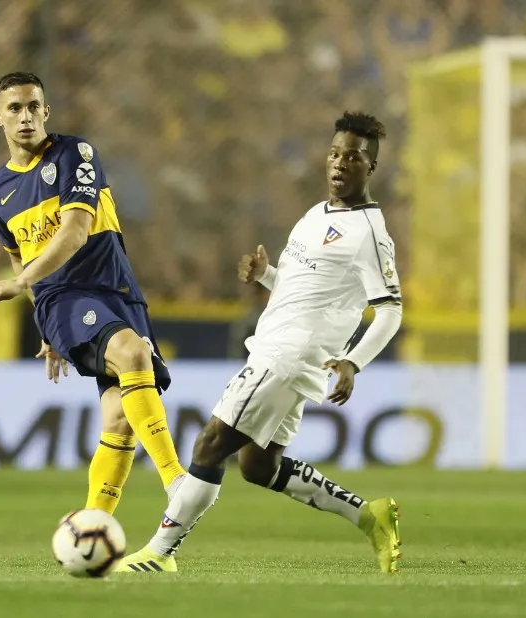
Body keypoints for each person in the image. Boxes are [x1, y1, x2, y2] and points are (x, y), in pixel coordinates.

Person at [118, 112, 403, 574]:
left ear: (371, 167)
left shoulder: (370, 233)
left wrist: (353, 362)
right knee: (258, 466)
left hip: (288, 356)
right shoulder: (317, 213)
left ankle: (158, 553)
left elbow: (391, 310)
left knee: (210, 444)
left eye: (354, 157)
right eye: (334, 153)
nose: (339, 164)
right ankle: (369, 515)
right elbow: (305, 285)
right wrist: (266, 276)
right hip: (282, 351)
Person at [0, 72, 186, 514]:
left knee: (121, 417)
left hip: (118, 289)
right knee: (131, 353)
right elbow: (19, 258)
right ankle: (179, 483)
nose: (26, 116)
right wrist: (40, 314)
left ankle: (93, 524)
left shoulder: (75, 153)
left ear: (46, 111)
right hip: (62, 296)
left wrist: (20, 282)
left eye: (34, 106)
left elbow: (74, 233)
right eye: (15, 109)